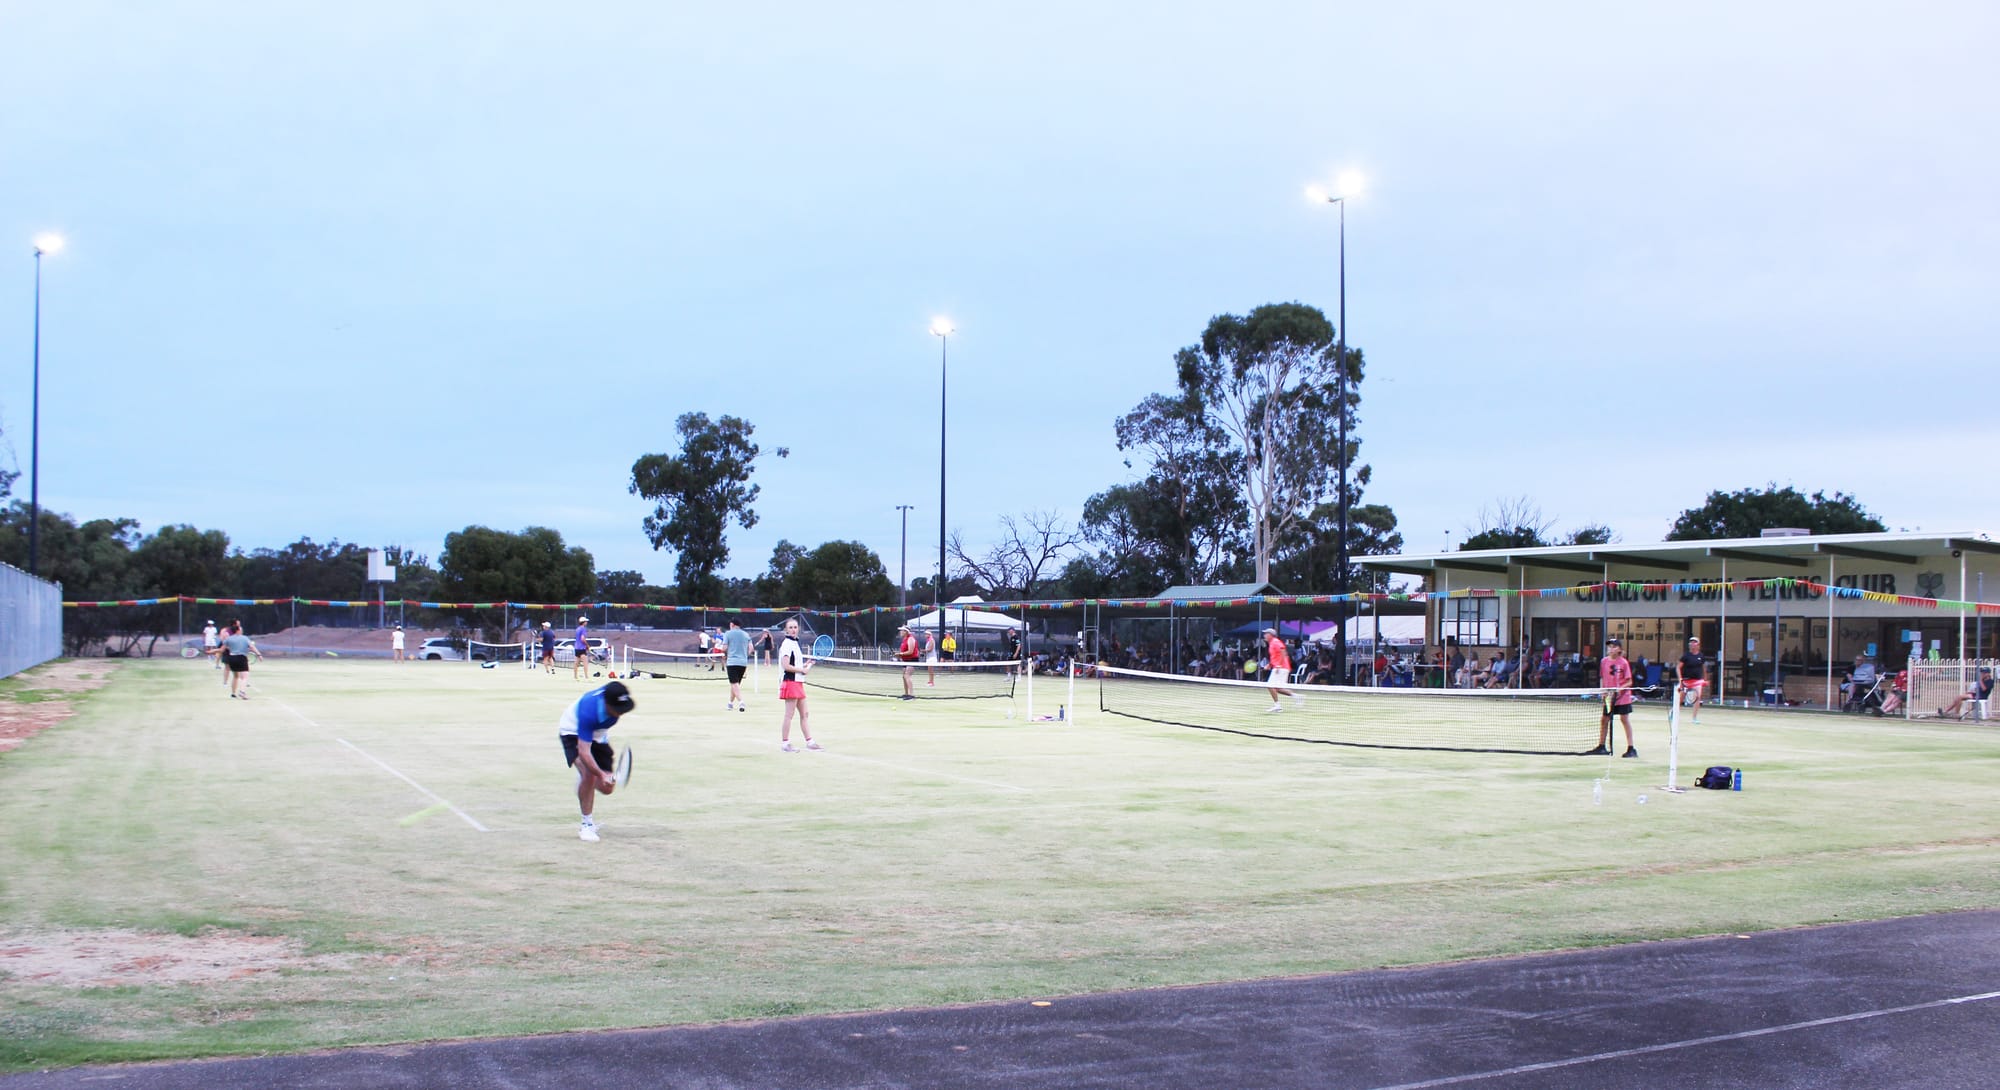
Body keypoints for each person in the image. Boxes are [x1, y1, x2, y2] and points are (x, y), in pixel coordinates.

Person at [557, 680, 635, 842]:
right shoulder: (589, 711)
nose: (621, 713)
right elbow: (584, 752)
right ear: (606, 704)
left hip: (598, 734)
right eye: (617, 709)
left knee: (607, 788)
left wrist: (603, 776)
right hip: (572, 730)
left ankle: (584, 782)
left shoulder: (613, 698)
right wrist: (598, 773)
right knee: (589, 774)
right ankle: (586, 825)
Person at [776, 618, 821, 751]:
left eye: (795, 627)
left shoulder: (795, 643)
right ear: (786, 629)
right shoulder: (787, 644)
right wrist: (802, 669)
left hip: (798, 682)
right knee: (789, 715)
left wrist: (806, 664)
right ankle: (785, 743)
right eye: (790, 627)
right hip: (790, 682)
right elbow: (786, 666)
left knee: (805, 714)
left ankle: (810, 742)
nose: (793, 630)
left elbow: (795, 665)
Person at [1592, 638, 1637, 758]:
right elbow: (1602, 677)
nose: (1611, 649)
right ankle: (1601, 746)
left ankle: (1631, 748)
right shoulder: (1603, 661)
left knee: (1624, 720)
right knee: (1604, 719)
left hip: (1622, 697)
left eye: (1614, 646)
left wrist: (1619, 690)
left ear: (1619, 649)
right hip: (1608, 697)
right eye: (1609, 646)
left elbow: (1629, 681)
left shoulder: (1623, 662)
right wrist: (1603, 691)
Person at [1262, 628, 1301, 712]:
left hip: (1281, 668)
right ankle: (1297, 697)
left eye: (1266, 633)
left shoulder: (1275, 642)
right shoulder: (1271, 643)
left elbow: (1283, 652)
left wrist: (1278, 665)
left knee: (1270, 685)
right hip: (1280, 667)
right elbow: (1275, 657)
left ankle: (1278, 706)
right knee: (1278, 688)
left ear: (1270, 635)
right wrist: (1269, 665)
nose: (1264, 635)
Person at [221, 622, 258, 700]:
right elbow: (251, 647)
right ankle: (242, 692)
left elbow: (223, 648)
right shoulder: (244, 638)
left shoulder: (230, 638)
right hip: (241, 658)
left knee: (235, 676)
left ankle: (233, 694)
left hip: (232, 658)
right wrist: (258, 654)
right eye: (241, 630)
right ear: (238, 631)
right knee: (244, 676)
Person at [723, 618, 752, 712]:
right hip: (743, 663)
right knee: (735, 684)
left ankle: (741, 702)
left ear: (732, 624)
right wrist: (745, 655)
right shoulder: (746, 634)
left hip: (732, 662)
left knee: (734, 683)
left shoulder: (727, 634)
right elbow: (751, 648)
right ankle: (730, 703)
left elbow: (724, 648)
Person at [1676, 636, 1708, 723]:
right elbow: (1678, 668)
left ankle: (1694, 718)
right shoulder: (1686, 655)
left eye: (1695, 642)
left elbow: (1704, 668)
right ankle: (1673, 713)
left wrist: (1705, 679)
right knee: (1680, 699)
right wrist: (1680, 680)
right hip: (1686, 681)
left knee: (1698, 697)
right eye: (1691, 642)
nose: (1692, 644)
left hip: (1697, 681)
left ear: (1698, 645)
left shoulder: (1701, 656)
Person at [894, 624, 921, 700]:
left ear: (906, 632)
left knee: (907, 676)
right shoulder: (904, 640)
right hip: (905, 660)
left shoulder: (911, 639)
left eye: (902, 630)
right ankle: (906, 694)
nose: (900, 632)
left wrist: (901, 654)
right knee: (904, 677)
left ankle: (911, 695)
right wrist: (899, 655)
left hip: (912, 660)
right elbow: (904, 651)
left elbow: (910, 651)